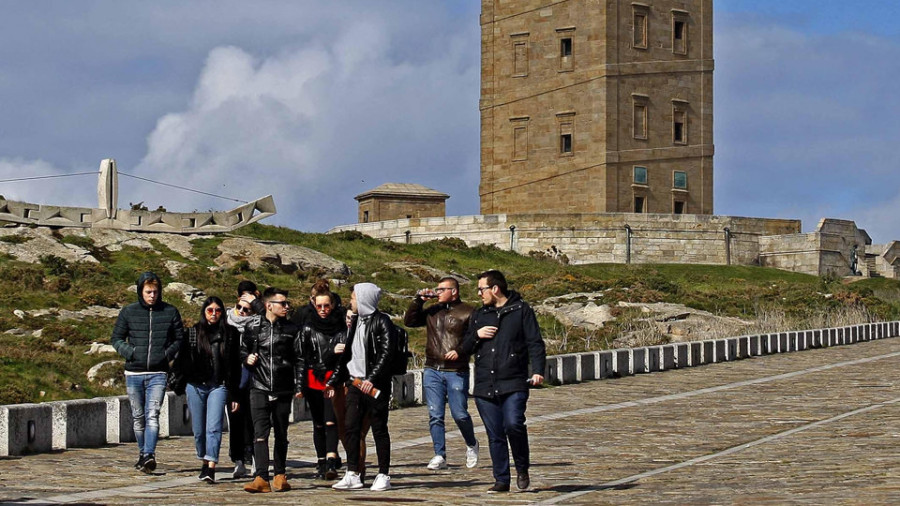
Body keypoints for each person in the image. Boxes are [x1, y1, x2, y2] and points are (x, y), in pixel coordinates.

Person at [462, 270, 546, 493]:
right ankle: (501, 479)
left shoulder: (521, 310)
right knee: (495, 433)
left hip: (514, 381)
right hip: (484, 385)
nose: (479, 293)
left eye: (482, 289)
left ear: (495, 289)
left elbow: (535, 343)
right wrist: (477, 335)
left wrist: (537, 370)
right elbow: (464, 348)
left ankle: (522, 467)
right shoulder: (479, 315)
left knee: (513, 424)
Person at [110, 271, 184, 473]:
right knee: (138, 416)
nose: (152, 295)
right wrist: (130, 352)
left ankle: (150, 454)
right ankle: (143, 454)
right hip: (133, 373)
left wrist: (166, 355)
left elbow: (179, 339)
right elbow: (116, 338)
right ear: (140, 291)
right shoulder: (128, 312)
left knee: (153, 414)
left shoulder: (170, 312)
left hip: (158, 373)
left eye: (155, 292)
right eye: (148, 292)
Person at [404, 277, 479, 471]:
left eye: (442, 289)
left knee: (460, 414)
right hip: (432, 369)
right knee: (435, 415)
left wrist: (461, 351)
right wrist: (419, 301)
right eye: (436, 289)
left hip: (456, 370)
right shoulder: (433, 311)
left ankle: (471, 443)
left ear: (454, 291)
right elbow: (410, 321)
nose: (437, 292)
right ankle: (439, 454)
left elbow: (474, 339)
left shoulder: (468, 312)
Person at [327, 283, 394, 492]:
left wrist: (372, 379)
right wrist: (335, 379)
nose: (351, 301)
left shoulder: (383, 322)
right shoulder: (356, 321)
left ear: (364, 298)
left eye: (354, 297)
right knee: (350, 427)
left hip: (375, 385)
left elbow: (386, 354)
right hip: (355, 383)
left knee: (379, 428)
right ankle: (353, 472)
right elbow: (348, 355)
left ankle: (383, 474)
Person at [239, 288, 303, 494]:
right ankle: (261, 477)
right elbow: (242, 349)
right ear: (269, 306)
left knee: (281, 432)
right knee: (260, 433)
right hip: (259, 385)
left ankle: (280, 474)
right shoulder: (253, 326)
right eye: (282, 303)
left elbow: (300, 359)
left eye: (287, 303)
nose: (286, 307)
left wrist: (299, 385)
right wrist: (246, 358)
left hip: (283, 387)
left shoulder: (292, 329)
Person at [179, 297, 242, 484]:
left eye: (218, 310)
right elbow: (182, 360)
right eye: (210, 310)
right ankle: (204, 458)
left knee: (214, 427)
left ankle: (211, 466)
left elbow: (234, 366)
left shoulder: (231, 334)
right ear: (204, 311)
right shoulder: (192, 333)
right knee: (199, 430)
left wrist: (234, 394)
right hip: (196, 385)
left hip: (219, 385)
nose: (214, 314)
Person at [297, 281, 347, 480]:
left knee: (330, 420)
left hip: (332, 378)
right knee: (318, 423)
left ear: (333, 305)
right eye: (319, 306)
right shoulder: (308, 328)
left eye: (326, 306)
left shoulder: (341, 327)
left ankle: (331, 460)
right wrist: (299, 385)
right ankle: (320, 460)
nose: (323, 310)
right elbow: (303, 357)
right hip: (313, 378)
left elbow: (345, 356)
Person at [225, 281, 264, 479]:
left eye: (247, 309)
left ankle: (254, 457)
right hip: (233, 379)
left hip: (254, 378)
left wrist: (257, 304)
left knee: (253, 420)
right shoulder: (227, 321)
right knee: (235, 419)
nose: (241, 311)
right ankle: (238, 458)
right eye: (239, 307)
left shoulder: (259, 324)